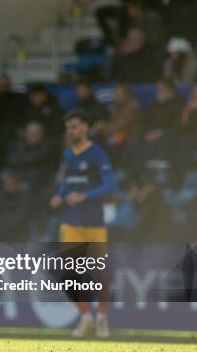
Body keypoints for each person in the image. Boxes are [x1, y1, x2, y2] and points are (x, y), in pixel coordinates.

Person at [50, 110, 117, 338]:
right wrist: (59, 195)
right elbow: (66, 182)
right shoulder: (68, 155)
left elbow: (110, 186)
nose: (72, 131)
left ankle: (103, 318)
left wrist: (84, 196)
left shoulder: (98, 154)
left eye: (76, 126)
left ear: (86, 128)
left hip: (94, 223)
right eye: (69, 127)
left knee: (101, 274)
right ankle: (86, 317)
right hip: (71, 222)